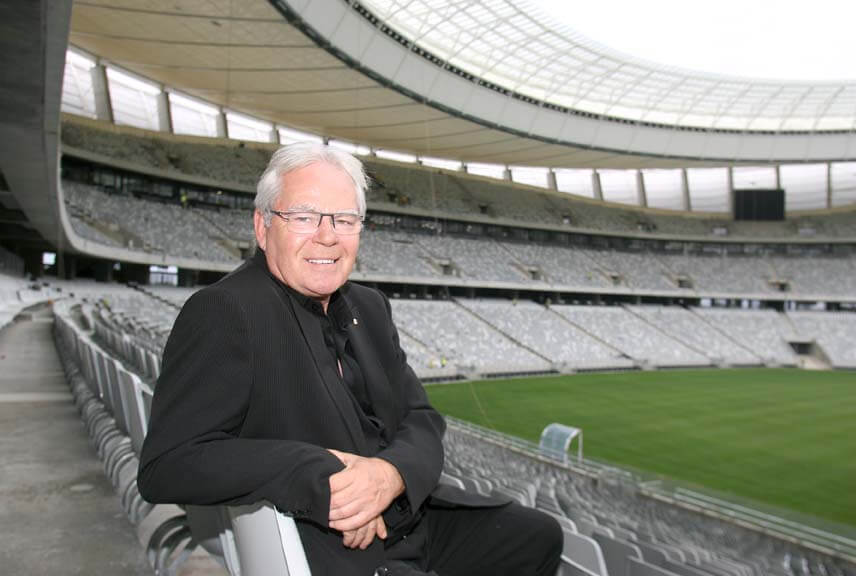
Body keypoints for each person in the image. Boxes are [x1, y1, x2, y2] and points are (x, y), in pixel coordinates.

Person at [137, 142, 562, 576]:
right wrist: (324, 477)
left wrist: (387, 475)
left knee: (537, 536)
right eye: (303, 217)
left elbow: (421, 417)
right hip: (339, 543)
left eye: (344, 220)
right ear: (263, 227)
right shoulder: (228, 311)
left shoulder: (370, 307)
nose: (328, 235)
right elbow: (168, 464)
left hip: (408, 513)